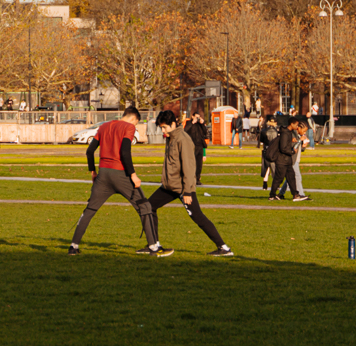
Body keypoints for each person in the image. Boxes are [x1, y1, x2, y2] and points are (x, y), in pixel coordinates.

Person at [68, 107, 169, 257]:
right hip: (120, 174)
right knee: (144, 206)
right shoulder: (128, 127)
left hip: (103, 174)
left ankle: (73, 247)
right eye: (136, 124)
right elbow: (124, 152)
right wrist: (133, 175)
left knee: (90, 210)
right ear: (133, 119)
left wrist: (93, 172)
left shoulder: (103, 126)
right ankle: (154, 247)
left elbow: (89, 151)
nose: (134, 127)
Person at [147, 111, 233, 256]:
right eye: (161, 128)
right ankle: (154, 245)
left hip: (182, 188)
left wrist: (187, 191)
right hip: (170, 186)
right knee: (148, 207)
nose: (163, 131)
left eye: (164, 128)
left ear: (173, 125)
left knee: (198, 217)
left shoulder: (183, 139)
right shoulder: (172, 138)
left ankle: (223, 248)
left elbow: (188, 167)